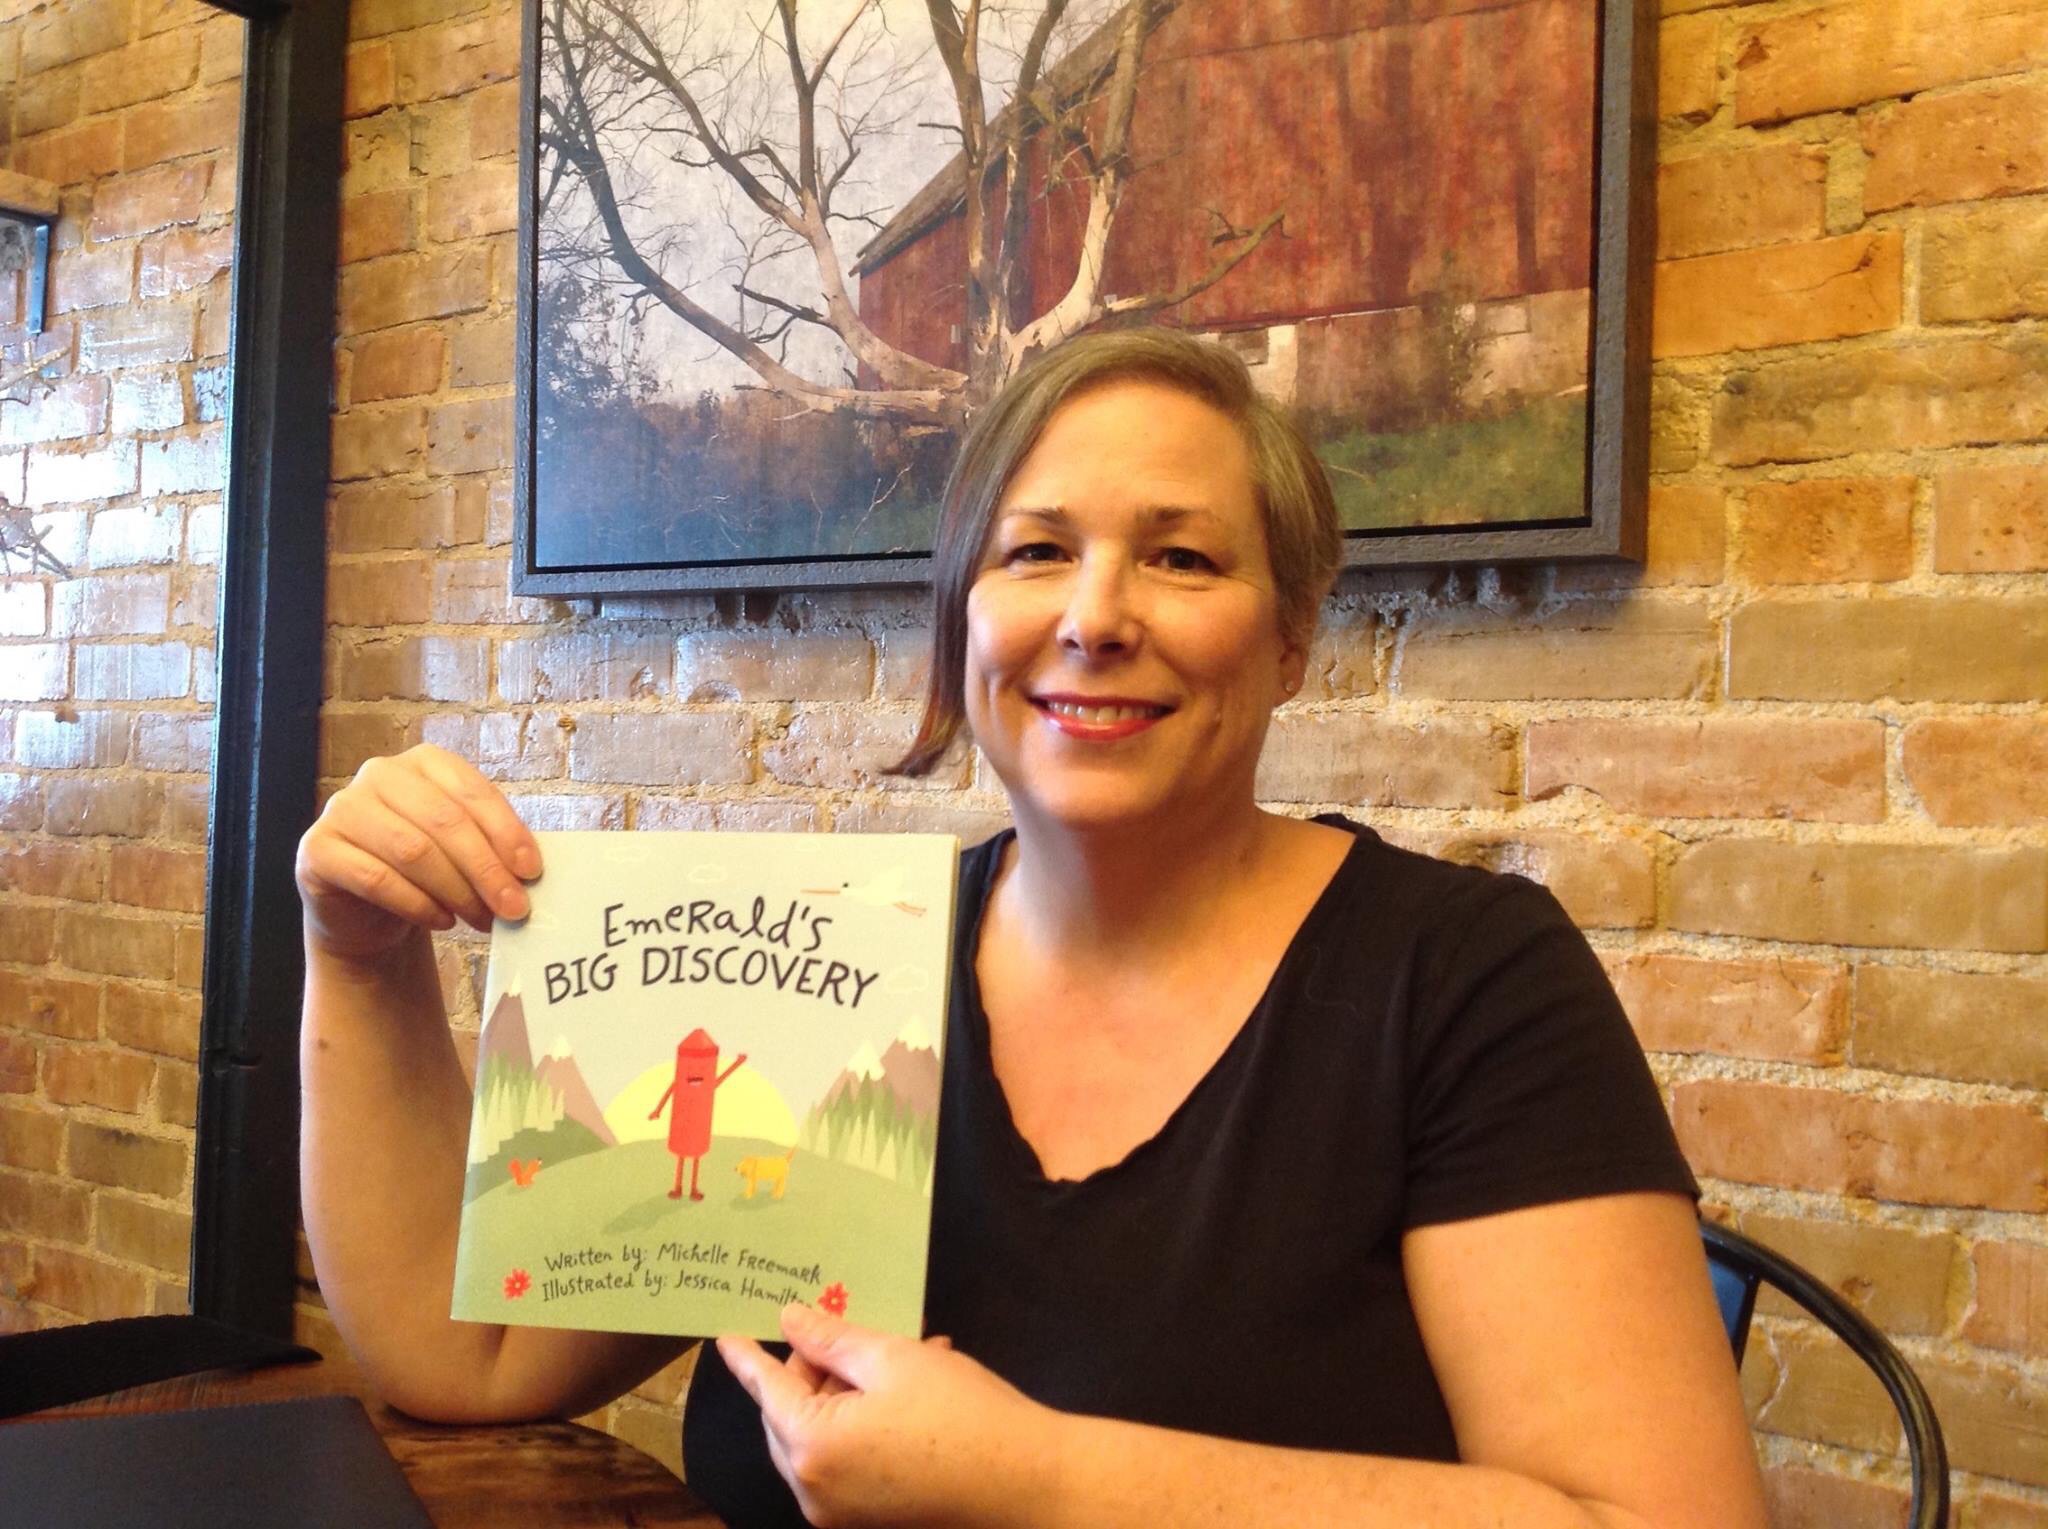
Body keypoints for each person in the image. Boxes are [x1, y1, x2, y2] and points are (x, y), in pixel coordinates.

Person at [297, 330, 1769, 1528]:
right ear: (962, 619)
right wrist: (359, 961)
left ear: (1293, 634)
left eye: (1183, 559)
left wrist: (1047, 1482)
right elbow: (465, 1357)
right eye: (1036, 551)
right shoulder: (823, 980)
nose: (1097, 617)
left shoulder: (1461, 979)